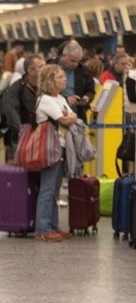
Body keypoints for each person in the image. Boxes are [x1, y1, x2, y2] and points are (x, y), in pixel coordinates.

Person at [33, 64, 76, 242]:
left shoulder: (60, 98)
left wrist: (69, 116)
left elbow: (72, 115)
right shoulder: (45, 100)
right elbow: (65, 119)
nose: (64, 79)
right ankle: (43, 229)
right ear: (49, 80)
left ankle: (53, 225)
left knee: (55, 189)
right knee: (48, 188)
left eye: (64, 76)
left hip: (61, 146)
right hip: (49, 148)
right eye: (59, 77)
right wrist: (68, 117)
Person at [57, 41, 95, 121]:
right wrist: (66, 99)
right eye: (72, 61)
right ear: (64, 56)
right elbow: (45, 91)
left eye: (78, 61)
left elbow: (91, 90)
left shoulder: (83, 70)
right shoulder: (51, 68)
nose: (76, 64)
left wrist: (87, 97)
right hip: (57, 113)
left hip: (77, 114)